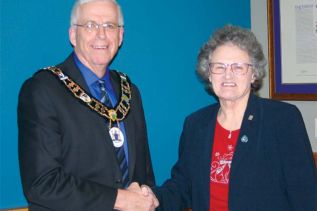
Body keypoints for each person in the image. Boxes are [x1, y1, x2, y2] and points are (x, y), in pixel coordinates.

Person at [149, 25, 317, 210]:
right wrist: (151, 198)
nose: (228, 75)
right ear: (209, 74)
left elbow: (306, 196)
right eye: (219, 67)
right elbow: (182, 187)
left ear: (253, 74)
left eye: (238, 67)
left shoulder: (282, 119)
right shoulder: (196, 124)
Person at [18, 0, 158, 210]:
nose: (101, 35)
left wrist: (147, 198)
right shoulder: (43, 90)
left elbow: (143, 173)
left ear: (120, 36)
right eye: (91, 25)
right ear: (73, 35)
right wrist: (120, 199)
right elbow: (41, 184)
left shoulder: (130, 92)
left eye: (110, 26)